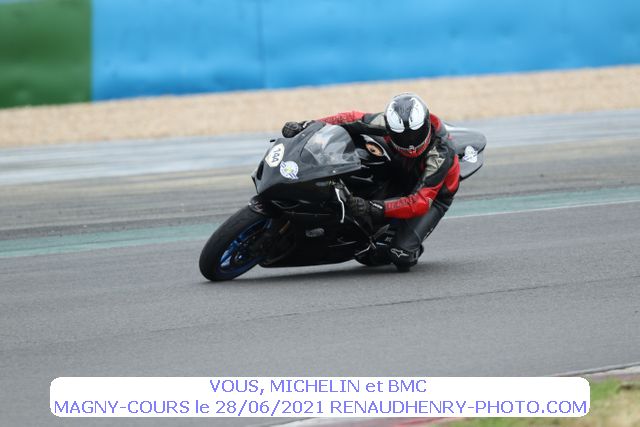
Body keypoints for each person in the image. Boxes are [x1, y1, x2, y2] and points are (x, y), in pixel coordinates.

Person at [281, 93, 459, 272]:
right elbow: (348, 118)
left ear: (426, 125)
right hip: (399, 168)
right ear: (390, 127)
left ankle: (404, 241)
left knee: (400, 254)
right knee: (356, 143)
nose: (410, 143)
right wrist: (307, 126)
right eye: (403, 136)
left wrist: (373, 207)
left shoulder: (441, 154)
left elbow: (420, 202)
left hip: (433, 196)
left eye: (415, 135)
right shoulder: (385, 122)